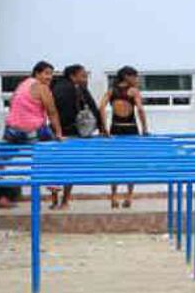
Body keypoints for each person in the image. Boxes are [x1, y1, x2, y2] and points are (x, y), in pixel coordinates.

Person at [51, 64, 106, 209]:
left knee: (54, 167)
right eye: (83, 76)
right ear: (73, 76)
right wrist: (102, 128)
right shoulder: (79, 89)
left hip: (56, 133)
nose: (85, 79)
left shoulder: (54, 87)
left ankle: (54, 200)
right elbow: (93, 108)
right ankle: (65, 201)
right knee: (70, 167)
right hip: (75, 134)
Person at [100, 66, 147, 209]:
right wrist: (145, 128)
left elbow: (101, 107)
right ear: (127, 76)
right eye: (135, 76)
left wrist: (105, 128)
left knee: (115, 164)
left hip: (115, 128)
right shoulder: (133, 91)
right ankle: (129, 196)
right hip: (131, 128)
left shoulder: (111, 91)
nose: (136, 79)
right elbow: (139, 109)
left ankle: (114, 196)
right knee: (131, 164)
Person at [5, 61, 63, 143]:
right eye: (46, 73)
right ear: (37, 73)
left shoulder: (22, 85)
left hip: (11, 132)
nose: (50, 77)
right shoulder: (42, 87)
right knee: (53, 144)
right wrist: (59, 133)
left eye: (51, 74)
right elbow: (52, 112)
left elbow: (11, 104)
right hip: (31, 132)